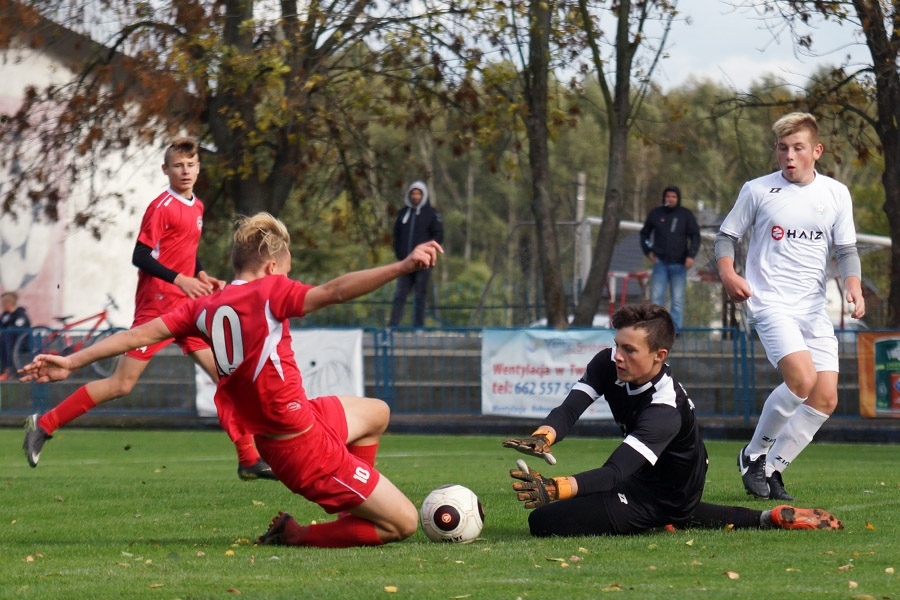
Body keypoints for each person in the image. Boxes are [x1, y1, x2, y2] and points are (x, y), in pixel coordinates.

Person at [20, 212, 443, 548]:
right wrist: (403, 265)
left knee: (377, 413)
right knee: (403, 523)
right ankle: (300, 534)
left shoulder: (201, 308)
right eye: (286, 270)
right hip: (302, 450)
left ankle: (355, 505)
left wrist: (71, 362)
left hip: (295, 427)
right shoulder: (270, 292)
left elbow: (134, 335)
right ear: (273, 266)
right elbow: (333, 292)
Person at [22, 137, 275, 481]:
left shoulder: (196, 206)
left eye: (190, 164)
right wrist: (179, 280)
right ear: (165, 170)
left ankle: (248, 458)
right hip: (156, 309)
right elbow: (140, 256)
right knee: (121, 385)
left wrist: (199, 274)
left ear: (198, 167)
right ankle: (44, 424)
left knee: (226, 378)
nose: (185, 171)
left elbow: (186, 249)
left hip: (187, 309)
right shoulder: (161, 207)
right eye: (177, 166)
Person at [502, 304, 843, 537]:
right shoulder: (608, 362)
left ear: (659, 355)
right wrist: (544, 435)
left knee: (542, 520)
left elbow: (613, 473)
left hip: (664, 492)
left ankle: (662, 519)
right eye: (616, 345)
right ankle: (764, 518)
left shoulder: (663, 408)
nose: (618, 356)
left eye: (630, 350)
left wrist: (555, 487)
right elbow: (570, 409)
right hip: (646, 478)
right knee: (647, 506)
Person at [716, 112, 865, 501]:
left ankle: (773, 467)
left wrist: (854, 286)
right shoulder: (758, 190)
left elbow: (847, 250)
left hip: (813, 308)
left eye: (798, 148)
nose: (789, 156)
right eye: (783, 148)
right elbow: (725, 238)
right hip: (770, 303)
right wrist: (729, 275)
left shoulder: (836, 193)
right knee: (801, 380)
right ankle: (753, 455)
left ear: (816, 150)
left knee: (826, 397)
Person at [639, 185, 701, 330]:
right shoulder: (656, 214)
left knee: (677, 300)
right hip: (660, 263)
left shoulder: (685, 215)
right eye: (668, 196)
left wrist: (691, 255)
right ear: (664, 198)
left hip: (680, 264)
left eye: (673, 197)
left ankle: (675, 329)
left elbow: (695, 236)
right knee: (656, 298)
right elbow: (644, 234)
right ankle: (655, 328)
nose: (670, 199)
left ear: (678, 198)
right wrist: (648, 251)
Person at [389, 181, 443, 327]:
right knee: (400, 295)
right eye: (413, 193)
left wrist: (427, 252)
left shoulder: (431, 214)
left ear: (423, 195)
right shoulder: (403, 214)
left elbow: (438, 235)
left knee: (420, 295)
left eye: (418, 193)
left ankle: (418, 326)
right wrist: (400, 254)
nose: (415, 196)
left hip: (423, 263)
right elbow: (397, 235)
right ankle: (393, 326)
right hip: (405, 262)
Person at [0, 291, 30, 380]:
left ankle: (8, 372)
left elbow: (19, 331)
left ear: (9, 303)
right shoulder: (5, 315)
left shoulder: (21, 315)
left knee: (7, 342)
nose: (2, 305)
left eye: (3, 303)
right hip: (5, 341)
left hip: (19, 344)